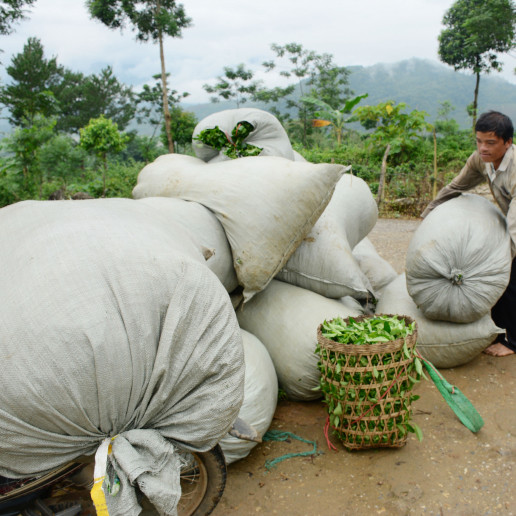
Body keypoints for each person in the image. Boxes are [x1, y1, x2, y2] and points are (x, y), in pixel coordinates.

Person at [422, 110, 516, 357]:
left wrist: (499, 260)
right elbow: (456, 186)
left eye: (491, 143)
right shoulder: (480, 160)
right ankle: (496, 333)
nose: (483, 148)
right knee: (501, 281)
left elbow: (515, 228)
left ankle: (512, 342)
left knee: (509, 280)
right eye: (479, 141)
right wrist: (429, 213)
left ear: (508, 142)